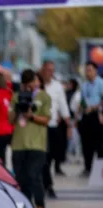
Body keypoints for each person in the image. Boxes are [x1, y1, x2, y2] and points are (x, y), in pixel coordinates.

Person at [10, 69, 51, 208]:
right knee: (21, 177)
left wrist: (32, 116)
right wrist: (18, 108)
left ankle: (40, 205)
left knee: (34, 175)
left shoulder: (44, 97)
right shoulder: (15, 96)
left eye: (33, 82)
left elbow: (46, 120)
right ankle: (27, 205)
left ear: (36, 82)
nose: (30, 85)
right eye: (27, 83)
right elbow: (10, 120)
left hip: (37, 144)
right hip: (19, 143)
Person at [40, 60, 71, 198]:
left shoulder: (57, 87)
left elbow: (63, 105)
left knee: (51, 156)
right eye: (48, 70)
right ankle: (47, 184)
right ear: (42, 70)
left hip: (53, 126)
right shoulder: (38, 86)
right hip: (39, 127)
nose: (50, 73)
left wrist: (68, 124)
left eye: (52, 70)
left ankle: (46, 183)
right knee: (43, 158)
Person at [79, 62, 103, 177]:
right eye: (86, 70)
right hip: (86, 116)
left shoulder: (100, 83)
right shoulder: (84, 85)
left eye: (89, 70)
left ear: (95, 71)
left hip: (97, 115)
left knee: (99, 144)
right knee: (86, 144)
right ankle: (87, 167)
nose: (87, 72)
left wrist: (94, 107)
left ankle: (99, 170)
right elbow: (82, 100)